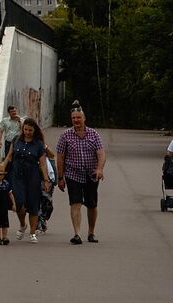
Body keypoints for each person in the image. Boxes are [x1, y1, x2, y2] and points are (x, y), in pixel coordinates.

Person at [55, 103, 106, 244]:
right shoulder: (65, 135)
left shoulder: (94, 134)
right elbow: (60, 157)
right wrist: (60, 177)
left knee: (91, 204)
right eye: (73, 118)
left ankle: (91, 232)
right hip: (73, 174)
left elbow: (101, 153)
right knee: (75, 203)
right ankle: (77, 234)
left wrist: (100, 169)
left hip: (91, 174)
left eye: (78, 118)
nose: (76, 120)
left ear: (84, 119)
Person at [7, 117, 50, 241]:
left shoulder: (38, 144)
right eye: (25, 129)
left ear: (34, 130)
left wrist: (46, 180)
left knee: (33, 204)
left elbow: (42, 163)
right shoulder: (16, 140)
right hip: (17, 176)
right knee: (19, 203)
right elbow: (9, 156)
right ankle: (22, 225)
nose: (27, 132)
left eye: (30, 130)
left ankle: (32, 233)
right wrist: (1, 168)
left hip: (32, 177)